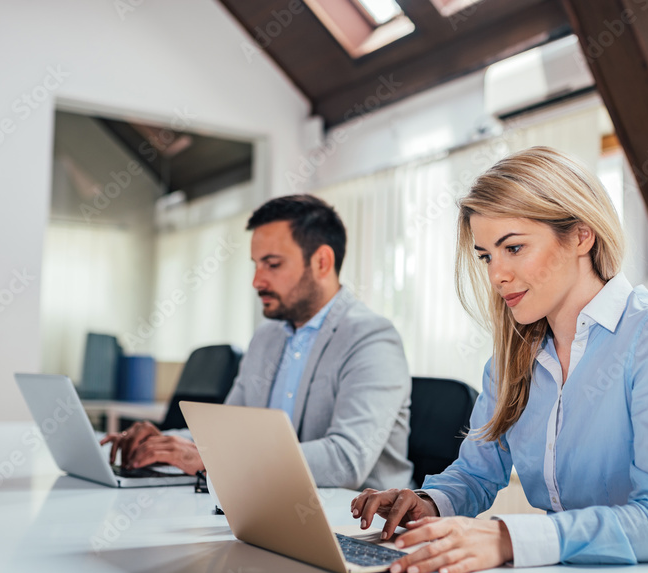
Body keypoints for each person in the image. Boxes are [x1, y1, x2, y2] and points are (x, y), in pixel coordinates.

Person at [352, 146, 648, 573]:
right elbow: (477, 473)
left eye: (514, 247)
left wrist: (508, 538)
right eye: (486, 255)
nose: (496, 275)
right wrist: (428, 503)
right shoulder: (513, 356)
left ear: (581, 236)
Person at [102, 194, 414, 491]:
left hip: (358, 524)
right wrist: (162, 442)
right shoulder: (267, 336)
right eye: (255, 264)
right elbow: (228, 432)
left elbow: (346, 461)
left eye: (273, 264)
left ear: (321, 262)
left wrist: (217, 459)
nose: (257, 281)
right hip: (275, 504)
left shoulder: (371, 339)